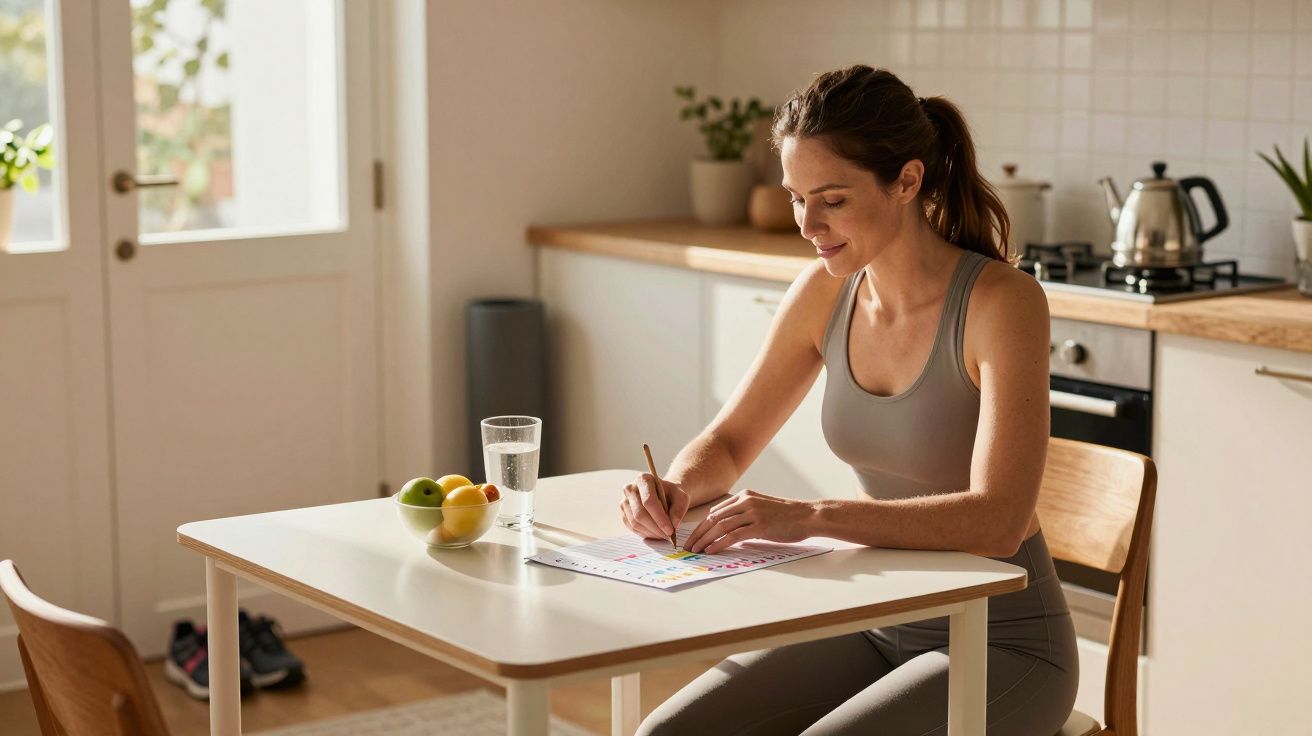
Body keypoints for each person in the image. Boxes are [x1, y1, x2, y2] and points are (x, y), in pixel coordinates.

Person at [620, 65, 1077, 735]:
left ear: (907, 181)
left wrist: (809, 516)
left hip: (1002, 642)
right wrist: (676, 491)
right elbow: (729, 442)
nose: (807, 222)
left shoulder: (1001, 304)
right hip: (877, 620)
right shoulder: (824, 293)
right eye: (796, 196)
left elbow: (998, 521)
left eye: (831, 199)